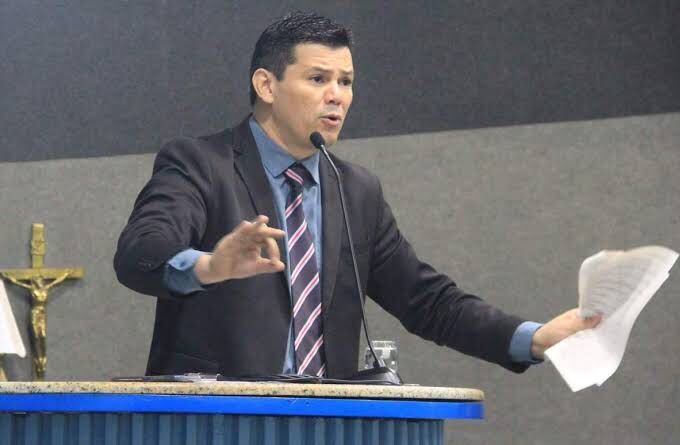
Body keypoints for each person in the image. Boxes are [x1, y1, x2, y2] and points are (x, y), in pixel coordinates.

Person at [114, 12, 600, 378]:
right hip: (216, 422)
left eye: (345, 82)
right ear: (266, 85)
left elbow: (425, 300)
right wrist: (208, 266)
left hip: (329, 423)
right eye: (318, 79)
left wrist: (533, 339)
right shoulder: (201, 164)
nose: (337, 96)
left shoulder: (357, 191)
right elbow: (140, 253)